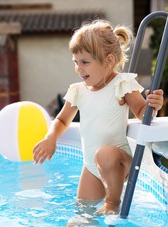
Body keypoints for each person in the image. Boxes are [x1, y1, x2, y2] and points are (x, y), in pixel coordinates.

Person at [33, 19, 163, 215]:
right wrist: (51, 138)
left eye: (85, 62)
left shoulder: (121, 84)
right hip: (91, 166)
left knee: (104, 154)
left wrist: (154, 106)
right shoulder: (77, 91)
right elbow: (61, 119)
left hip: (117, 160)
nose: (79, 68)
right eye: (76, 62)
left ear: (109, 61)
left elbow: (142, 113)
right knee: (83, 213)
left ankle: (112, 203)